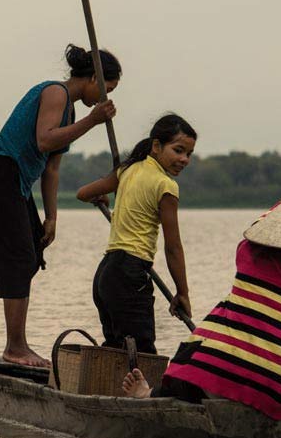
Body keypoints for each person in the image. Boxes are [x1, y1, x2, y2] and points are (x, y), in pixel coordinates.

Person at [121, 183, 281, 420]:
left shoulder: (248, 256)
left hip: (210, 380)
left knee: (197, 357)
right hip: (273, 395)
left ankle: (150, 394)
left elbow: (256, 229)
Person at [0, 44, 121, 367]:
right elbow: (45, 139)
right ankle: (15, 347)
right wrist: (92, 121)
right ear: (93, 78)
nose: (103, 99)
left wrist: (51, 217)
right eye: (106, 89)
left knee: (31, 255)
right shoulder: (56, 93)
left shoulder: (69, 112)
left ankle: (18, 343)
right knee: (18, 256)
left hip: (18, 182)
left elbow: (51, 168)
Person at [75, 114, 196, 354]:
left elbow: (83, 193)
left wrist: (102, 196)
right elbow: (173, 248)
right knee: (142, 354)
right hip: (130, 274)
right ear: (156, 146)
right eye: (178, 150)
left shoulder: (127, 170)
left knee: (117, 350)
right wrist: (183, 293)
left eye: (189, 154)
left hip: (106, 275)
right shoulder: (166, 186)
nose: (184, 159)